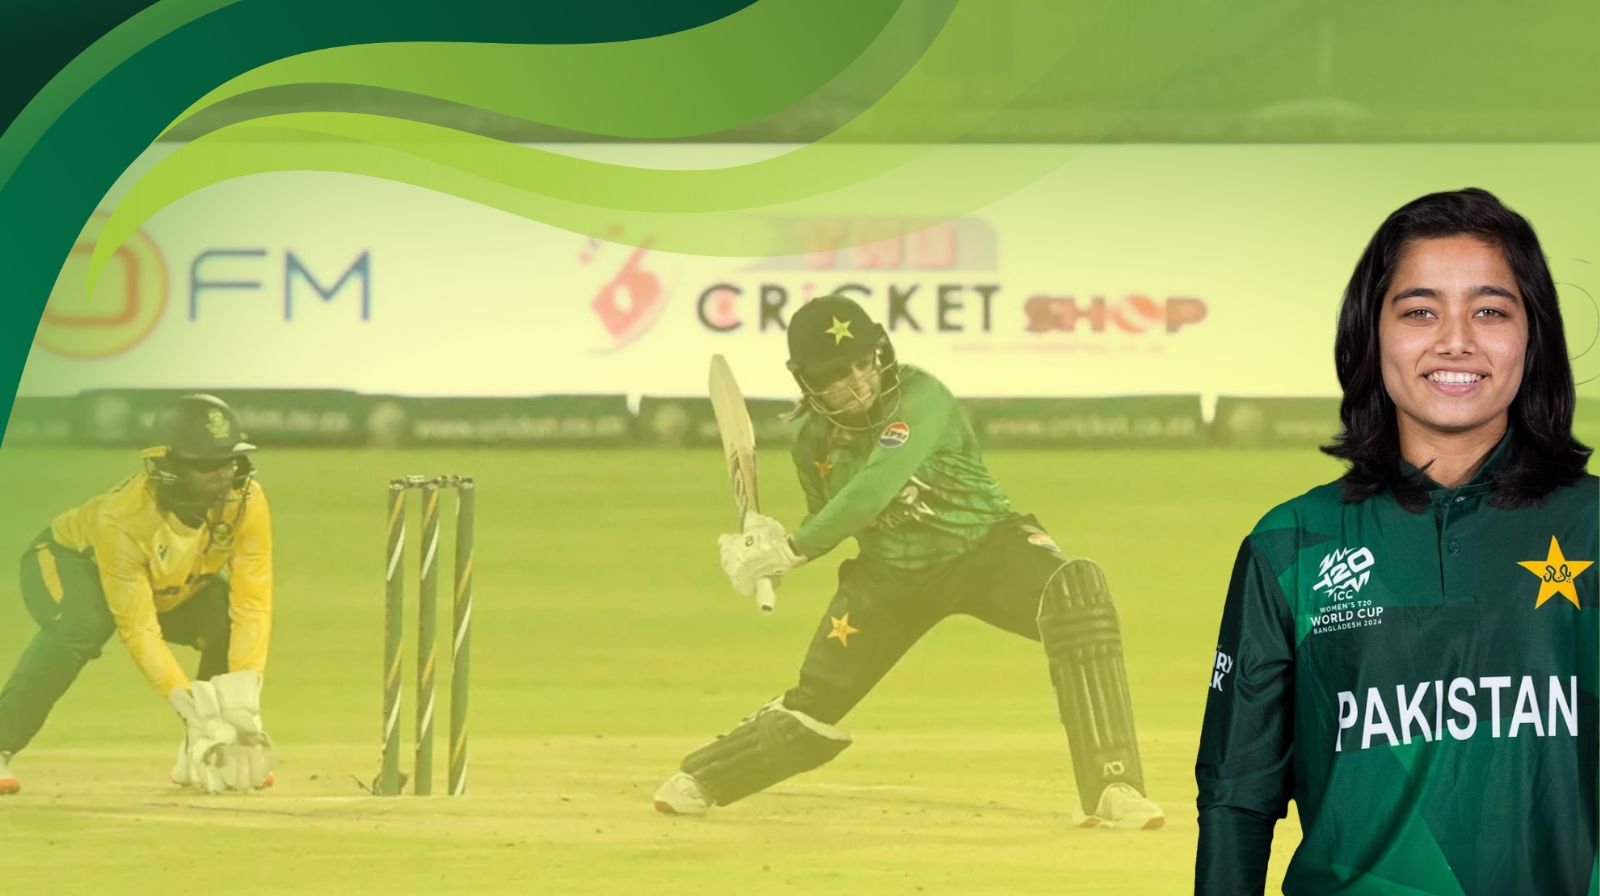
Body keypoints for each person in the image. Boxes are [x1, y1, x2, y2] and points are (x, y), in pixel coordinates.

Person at [1195, 188, 1596, 893]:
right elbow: (1236, 799)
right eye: (1419, 311)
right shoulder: (1290, 546)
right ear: (1370, 333)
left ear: (1534, 334)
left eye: (1490, 310)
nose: (1455, 340)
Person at [653, 294, 1163, 829]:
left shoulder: (922, 398)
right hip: (891, 577)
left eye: (863, 363)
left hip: (986, 548)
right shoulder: (809, 440)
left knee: (1076, 597)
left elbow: (873, 491)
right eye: (837, 375)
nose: (859, 382)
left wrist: (792, 550)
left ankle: (1113, 787)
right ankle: (706, 775)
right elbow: (834, 515)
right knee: (816, 701)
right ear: (808, 381)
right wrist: (769, 547)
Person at [0, 394, 276, 795]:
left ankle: (199, 753)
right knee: (81, 626)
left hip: (165, 581)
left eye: (230, 461)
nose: (223, 476)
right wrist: (190, 707)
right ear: (169, 468)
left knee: (225, 619)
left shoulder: (248, 502)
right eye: (206, 465)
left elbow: (252, 604)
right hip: (69, 562)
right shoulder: (122, 519)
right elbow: (139, 630)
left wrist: (244, 698)